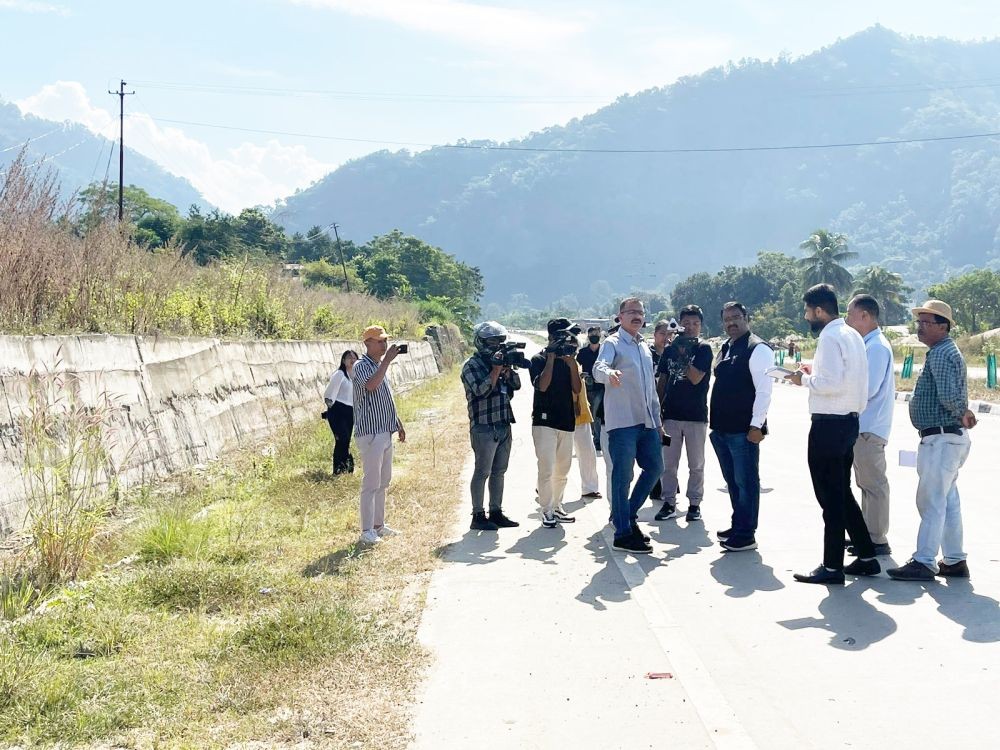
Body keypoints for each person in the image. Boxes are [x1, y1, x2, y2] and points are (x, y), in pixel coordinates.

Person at [787, 284, 879, 584]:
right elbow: (850, 379)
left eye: (807, 311)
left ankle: (831, 566)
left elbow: (831, 383)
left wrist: (805, 379)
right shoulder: (852, 334)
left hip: (828, 424)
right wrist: (814, 373)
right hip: (850, 421)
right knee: (842, 493)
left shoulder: (829, 336)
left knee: (830, 497)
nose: (805, 317)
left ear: (818, 310)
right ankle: (866, 556)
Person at [888, 300, 979, 581]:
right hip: (947, 438)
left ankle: (924, 560)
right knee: (947, 502)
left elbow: (948, 393)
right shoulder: (943, 350)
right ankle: (953, 560)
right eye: (919, 322)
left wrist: (960, 411)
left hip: (942, 436)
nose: (920, 328)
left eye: (927, 323)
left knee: (931, 502)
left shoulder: (940, 353)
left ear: (943, 327)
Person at [593, 298, 665, 554]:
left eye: (640, 312)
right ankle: (623, 534)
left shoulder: (644, 347)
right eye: (631, 312)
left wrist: (658, 423)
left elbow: (651, 391)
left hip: (647, 422)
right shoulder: (613, 343)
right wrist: (609, 374)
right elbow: (598, 367)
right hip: (622, 423)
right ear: (619, 317)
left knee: (656, 467)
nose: (637, 316)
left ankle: (625, 518)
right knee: (623, 477)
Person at [708, 302, 773, 552]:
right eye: (726, 319)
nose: (731, 323)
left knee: (746, 482)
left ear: (747, 318)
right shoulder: (726, 346)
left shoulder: (757, 348)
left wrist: (757, 425)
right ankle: (738, 524)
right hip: (722, 429)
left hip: (743, 430)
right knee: (733, 482)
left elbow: (764, 391)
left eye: (736, 317)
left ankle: (746, 534)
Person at [845, 294, 895, 556]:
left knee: (873, 485)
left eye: (850, 313)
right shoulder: (870, 344)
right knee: (865, 483)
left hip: (869, 428)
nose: (847, 318)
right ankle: (866, 534)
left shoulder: (875, 347)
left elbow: (869, 388)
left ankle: (876, 539)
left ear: (864, 315)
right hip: (865, 427)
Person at [461, 321, 522, 531]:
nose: (496, 345)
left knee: (499, 471)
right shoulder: (471, 365)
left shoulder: (501, 361)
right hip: (484, 426)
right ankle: (477, 515)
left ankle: (496, 512)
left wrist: (507, 370)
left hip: (503, 422)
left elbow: (516, 386)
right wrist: (495, 371)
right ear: (481, 342)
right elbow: (480, 391)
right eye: (492, 341)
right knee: (482, 471)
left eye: (499, 341)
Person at [655, 305, 712, 523]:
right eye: (686, 323)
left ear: (700, 326)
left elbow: (696, 377)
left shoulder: (704, 349)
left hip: (696, 416)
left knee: (696, 463)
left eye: (695, 324)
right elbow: (663, 381)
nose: (690, 328)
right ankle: (669, 501)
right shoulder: (669, 350)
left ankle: (694, 504)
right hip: (671, 415)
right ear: (679, 325)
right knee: (668, 463)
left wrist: (683, 353)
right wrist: (657, 409)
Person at [352, 325, 406, 545]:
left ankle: (378, 526)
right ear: (367, 343)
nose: (384, 345)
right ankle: (366, 530)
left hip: (385, 430)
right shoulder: (361, 365)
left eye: (385, 341)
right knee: (371, 483)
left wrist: (397, 423)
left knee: (383, 481)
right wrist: (386, 362)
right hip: (371, 432)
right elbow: (372, 386)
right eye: (379, 341)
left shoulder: (377, 365)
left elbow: (385, 398)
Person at [530, 318, 582, 529]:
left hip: (566, 419)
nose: (569, 339)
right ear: (553, 337)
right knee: (546, 467)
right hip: (544, 421)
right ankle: (546, 509)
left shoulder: (570, 360)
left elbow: (577, 390)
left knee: (563, 468)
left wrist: (571, 365)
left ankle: (557, 505)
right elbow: (542, 386)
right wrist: (551, 358)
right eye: (564, 335)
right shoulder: (538, 359)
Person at [324, 349, 358, 474]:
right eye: (349, 357)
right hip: (338, 411)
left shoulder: (355, 376)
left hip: (350, 411)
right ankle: (339, 469)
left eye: (354, 357)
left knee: (346, 440)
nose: (352, 360)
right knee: (341, 439)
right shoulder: (340, 374)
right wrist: (332, 411)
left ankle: (346, 468)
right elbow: (328, 394)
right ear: (343, 360)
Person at [577, 326, 605, 453]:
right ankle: (593, 438)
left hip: (601, 387)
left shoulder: (604, 351)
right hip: (587, 388)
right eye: (592, 334)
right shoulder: (583, 353)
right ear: (588, 336)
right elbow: (577, 367)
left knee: (596, 414)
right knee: (589, 414)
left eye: (596, 334)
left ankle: (597, 439)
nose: (594, 336)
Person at [573, 382, 602, 499]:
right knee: (556, 455)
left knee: (588, 453)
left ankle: (589, 488)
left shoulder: (577, 363)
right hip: (562, 413)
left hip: (581, 412)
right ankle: (543, 487)